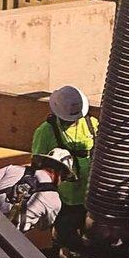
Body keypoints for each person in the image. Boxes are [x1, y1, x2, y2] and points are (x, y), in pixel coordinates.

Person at [32, 85, 98, 248]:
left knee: (91, 242)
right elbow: (37, 165)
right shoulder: (46, 131)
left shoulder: (91, 124)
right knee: (64, 240)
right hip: (63, 200)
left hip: (90, 198)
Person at [0, 148, 74, 232]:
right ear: (59, 173)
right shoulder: (54, 201)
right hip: (7, 239)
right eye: (64, 178)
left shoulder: (12, 169)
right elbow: (43, 226)